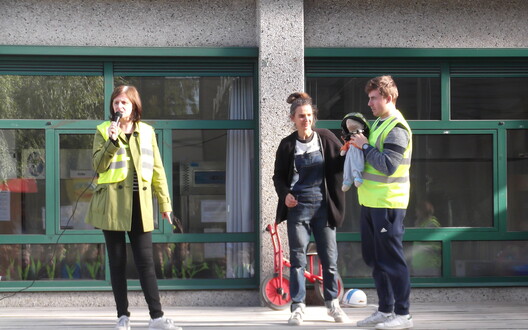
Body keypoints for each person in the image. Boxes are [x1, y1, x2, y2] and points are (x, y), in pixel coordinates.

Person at [85, 85, 181, 330]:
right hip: (112, 205)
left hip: (141, 205)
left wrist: (165, 204)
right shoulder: (103, 131)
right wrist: (112, 140)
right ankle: (122, 317)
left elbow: (158, 170)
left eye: (124, 103)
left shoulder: (147, 132)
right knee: (117, 263)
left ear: (134, 106)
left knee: (146, 262)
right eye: (116, 103)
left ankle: (157, 317)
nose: (119, 107)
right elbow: (98, 166)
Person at [272, 92, 348, 326]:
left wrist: (350, 148)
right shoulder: (287, 145)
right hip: (298, 209)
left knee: (330, 259)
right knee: (297, 260)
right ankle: (297, 308)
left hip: (323, 207)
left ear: (313, 117)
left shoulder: (325, 138)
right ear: (292, 118)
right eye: (301, 116)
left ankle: (333, 305)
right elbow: (278, 178)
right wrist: (285, 196)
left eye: (308, 116)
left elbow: (343, 159)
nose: (305, 120)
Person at [349, 76, 414, 330]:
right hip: (370, 203)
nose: (369, 103)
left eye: (374, 97)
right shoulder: (378, 123)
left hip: (389, 205)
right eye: (369, 98)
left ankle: (403, 314)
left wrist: (364, 147)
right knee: (374, 259)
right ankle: (386, 309)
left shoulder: (397, 128)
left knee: (392, 260)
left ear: (389, 98)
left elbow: (388, 165)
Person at [339, 112, 371, 191]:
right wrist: (343, 150)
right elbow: (346, 145)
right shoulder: (350, 140)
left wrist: (364, 146)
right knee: (347, 167)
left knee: (357, 164)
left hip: (358, 152)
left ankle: (358, 177)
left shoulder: (362, 138)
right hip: (349, 154)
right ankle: (347, 181)